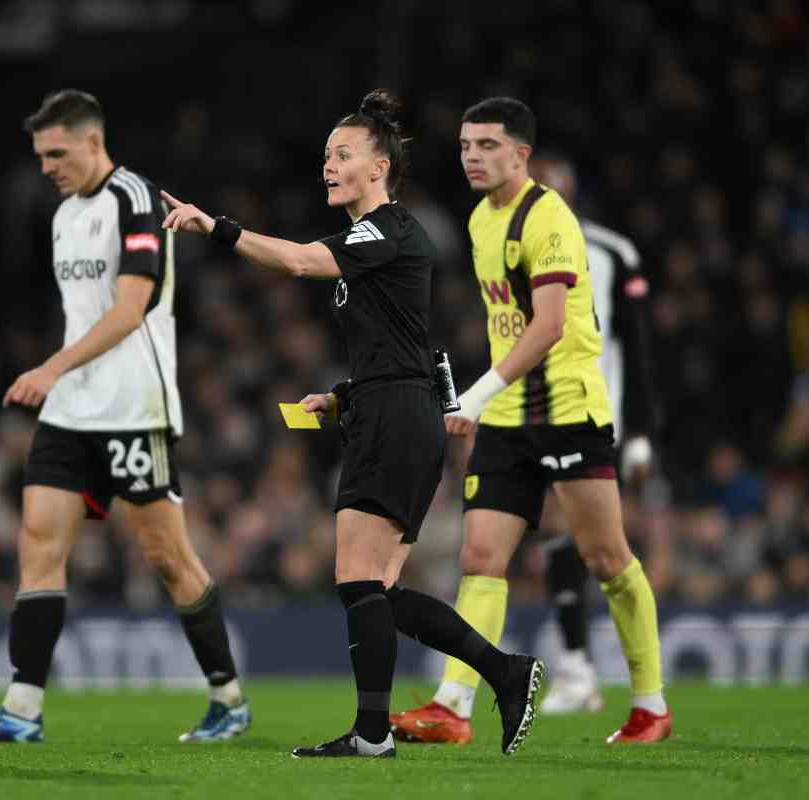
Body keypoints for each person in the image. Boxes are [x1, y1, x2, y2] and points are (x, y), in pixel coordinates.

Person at [161, 89, 543, 759]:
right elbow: (402, 345)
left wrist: (214, 226)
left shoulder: (388, 228)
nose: (329, 167)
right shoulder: (377, 244)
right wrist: (339, 398)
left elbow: (302, 261)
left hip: (396, 420)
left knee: (356, 580)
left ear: (379, 165)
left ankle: (373, 733)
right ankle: (505, 674)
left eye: (342, 155)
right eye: (325, 157)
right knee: (379, 591)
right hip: (394, 411)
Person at [0, 89, 251, 745]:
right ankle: (23, 710)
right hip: (72, 409)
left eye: (56, 153)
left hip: (133, 406)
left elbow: (131, 306)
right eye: (39, 156)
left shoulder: (133, 198)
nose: (47, 167)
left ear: (92, 141)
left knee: (168, 557)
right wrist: (62, 379)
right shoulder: (63, 215)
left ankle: (227, 697)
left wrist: (51, 367)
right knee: (39, 542)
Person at [389, 98, 671, 745]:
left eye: (488, 146)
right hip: (512, 419)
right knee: (481, 557)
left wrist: (478, 393)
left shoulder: (549, 219)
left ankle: (650, 705)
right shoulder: (481, 220)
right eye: (465, 146)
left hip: (569, 411)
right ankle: (452, 708)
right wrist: (487, 399)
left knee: (605, 557)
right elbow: (505, 322)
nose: (473, 157)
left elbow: (546, 324)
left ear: (521, 154)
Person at [528, 152, 661, 715]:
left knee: (603, 548)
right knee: (562, 537)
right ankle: (581, 670)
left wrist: (641, 432)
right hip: (533, 413)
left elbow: (637, 347)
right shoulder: (509, 246)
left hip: (595, 415)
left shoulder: (612, 251)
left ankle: (625, 683)